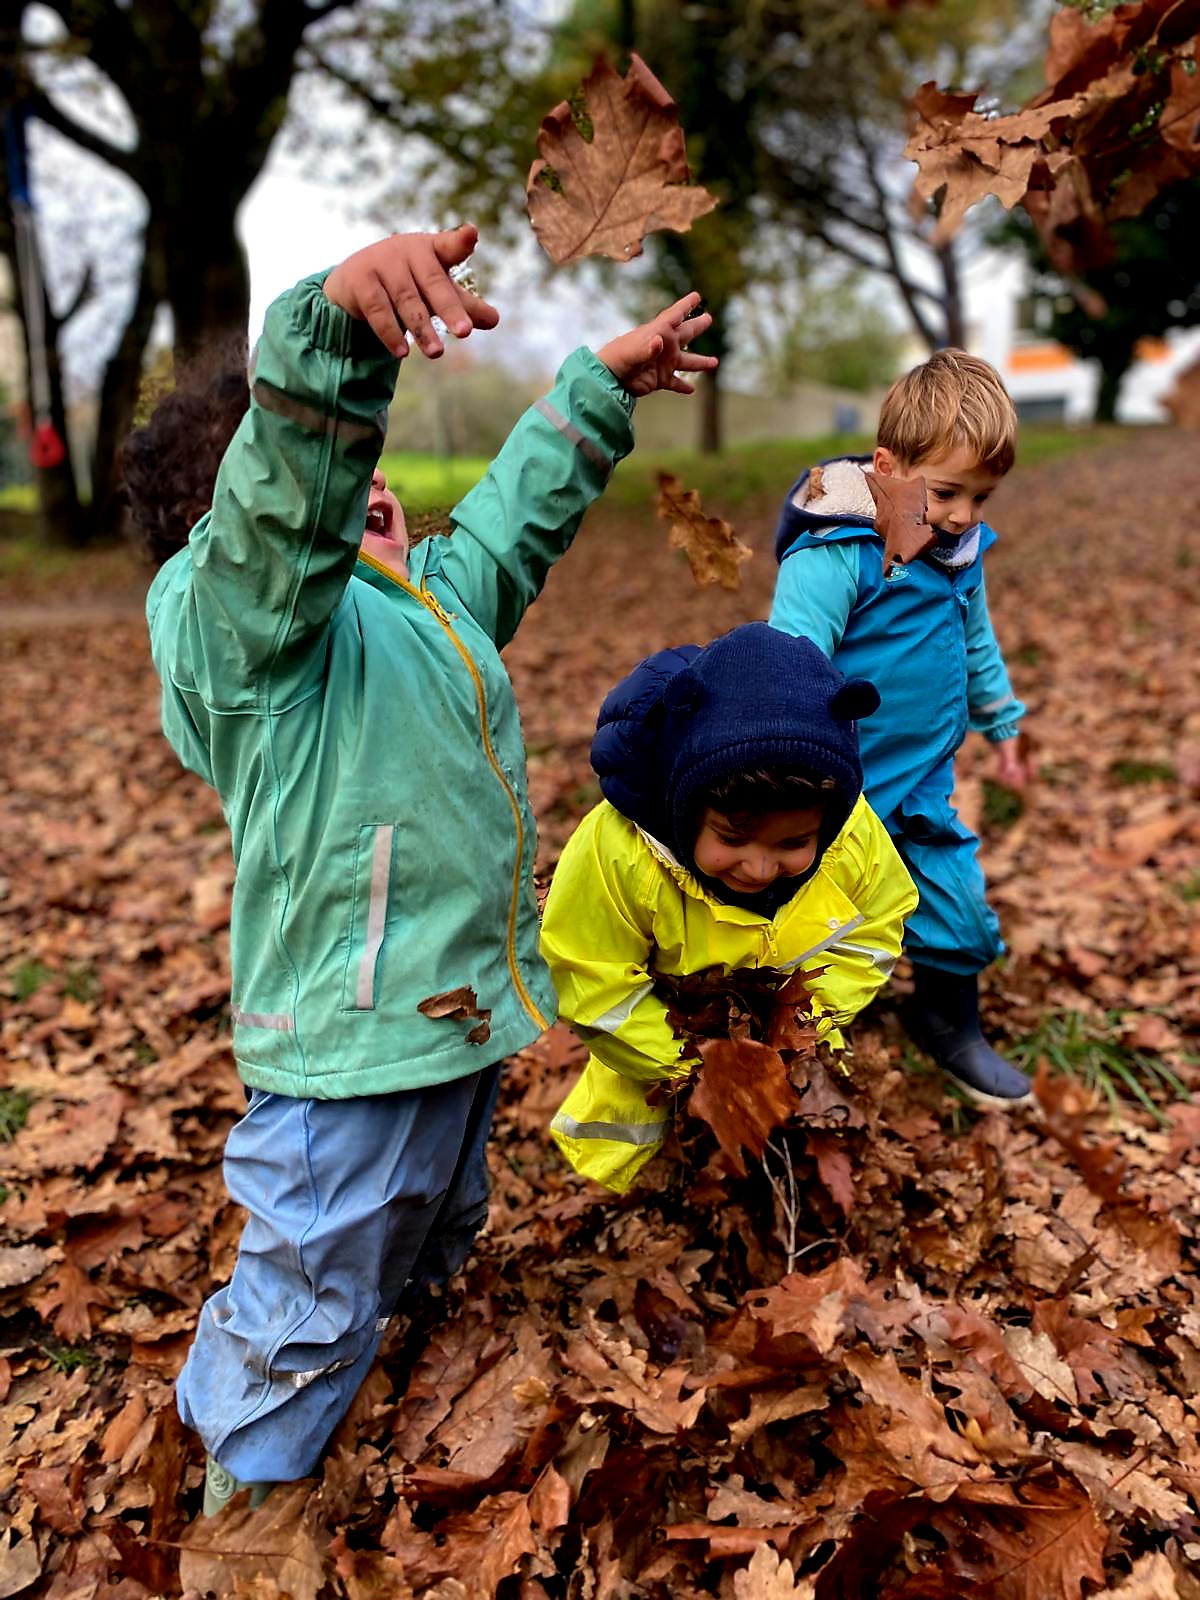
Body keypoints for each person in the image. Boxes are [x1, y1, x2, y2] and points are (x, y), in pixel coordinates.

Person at [128, 224, 717, 1513]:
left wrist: (594, 393)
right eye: (346, 472)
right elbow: (279, 512)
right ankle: (248, 1486)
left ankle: (420, 1330)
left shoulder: (428, 602)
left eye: (376, 468)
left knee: (432, 1215)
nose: (370, 484)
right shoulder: (251, 639)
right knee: (315, 1269)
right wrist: (336, 342)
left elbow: (506, 526)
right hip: (348, 1035)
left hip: (446, 1013)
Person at [540, 622, 918, 1194]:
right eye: (733, 838)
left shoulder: (851, 838)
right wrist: (698, 1071)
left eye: (793, 844)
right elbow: (590, 977)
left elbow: (876, 928)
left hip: (798, 1050)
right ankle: (641, 1196)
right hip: (657, 1056)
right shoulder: (619, 853)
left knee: (800, 1156)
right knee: (644, 1164)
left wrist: (807, 1030)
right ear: (687, 806)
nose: (759, 868)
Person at [769, 348, 1032, 1106]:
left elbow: (974, 639)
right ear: (886, 466)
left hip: (922, 780)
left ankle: (950, 1023)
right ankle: (792, 1039)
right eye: (948, 492)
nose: (964, 516)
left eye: (982, 498)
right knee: (816, 928)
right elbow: (794, 658)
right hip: (838, 789)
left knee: (957, 902)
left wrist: (1003, 722)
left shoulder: (959, 553)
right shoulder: (839, 552)